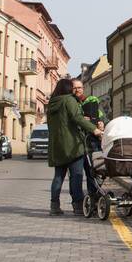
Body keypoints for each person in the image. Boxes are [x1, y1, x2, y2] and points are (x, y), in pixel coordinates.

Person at [46, 77, 102, 216]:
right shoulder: (69, 100)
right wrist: (94, 129)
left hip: (57, 146)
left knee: (58, 176)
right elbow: (77, 117)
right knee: (76, 176)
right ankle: (77, 205)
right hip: (72, 146)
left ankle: (54, 205)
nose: (74, 90)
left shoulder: (52, 103)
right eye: (72, 87)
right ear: (68, 88)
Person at [73, 82, 104, 198]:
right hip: (77, 143)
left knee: (93, 171)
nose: (77, 90)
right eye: (74, 88)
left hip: (92, 141)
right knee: (77, 174)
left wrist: (101, 123)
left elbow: (99, 117)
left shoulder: (91, 100)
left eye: (79, 87)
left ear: (83, 88)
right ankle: (78, 201)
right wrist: (81, 119)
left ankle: (94, 196)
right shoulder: (71, 103)